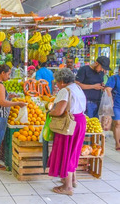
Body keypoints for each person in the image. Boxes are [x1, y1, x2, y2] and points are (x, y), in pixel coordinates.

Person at [48, 68, 87, 196]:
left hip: (69, 124)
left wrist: (49, 112)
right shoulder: (77, 87)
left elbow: (59, 111)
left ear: (63, 81)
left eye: (57, 82)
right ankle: (73, 180)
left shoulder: (65, 90)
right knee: (73, 151)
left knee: (67, 152)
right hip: (80, 121)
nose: (57, 85)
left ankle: (67, 187)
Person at [0, 64, 26, 170]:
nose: (9, 76)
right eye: (8, 74)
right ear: (3, 73)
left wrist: (9, 97)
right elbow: (2, 103)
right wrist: (17, 103)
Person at [105, 67, 120, 150]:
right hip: (116, 105)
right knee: (117, 123)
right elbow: (108, 89)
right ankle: (117, 144)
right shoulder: (114, 78)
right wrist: (111, 101)